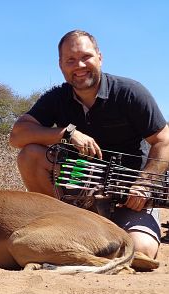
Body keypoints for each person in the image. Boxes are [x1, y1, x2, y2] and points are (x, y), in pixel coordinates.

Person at [9, 29, 169, 266]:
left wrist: (144, 184)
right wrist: (65, 133)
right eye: (70, 60)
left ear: (100, 57)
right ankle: (56, 220)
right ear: (61, 65)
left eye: (86, 57)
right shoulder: (57, 97)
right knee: (30, 154)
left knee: (138, 250)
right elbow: (17, 136)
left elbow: (163, 140)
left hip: (129, 196)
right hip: (78, 196)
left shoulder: (130, 92)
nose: (79, 65)